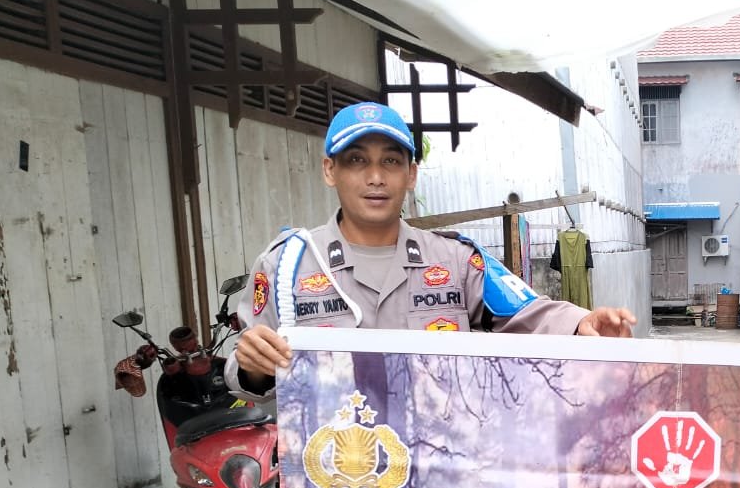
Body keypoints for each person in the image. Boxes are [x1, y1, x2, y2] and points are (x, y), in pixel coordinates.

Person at [227, 102, 637, 400]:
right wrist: (252, 367)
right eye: (356, 160)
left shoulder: (455, 260)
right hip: (336, 473)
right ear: (330, 170)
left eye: (391, 161)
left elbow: (527, 313)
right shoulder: (287, 265)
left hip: (439, 472)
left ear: (411, 174)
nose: (375, 177)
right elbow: (245, 372)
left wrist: (582, 323)